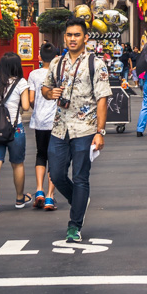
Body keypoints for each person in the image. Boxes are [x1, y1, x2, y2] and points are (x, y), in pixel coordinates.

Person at [41, 18, 112, 243]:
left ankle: (74, 225)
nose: (73, 39)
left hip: (85, 128)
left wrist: (100, 132)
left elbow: (102, 99)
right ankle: (80, 200)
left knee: (81, 177)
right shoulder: (56, 63)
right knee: (56, 174)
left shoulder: (96, 63)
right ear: (65, 38)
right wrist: (48, 93)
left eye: (77, 35)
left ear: (85, 38)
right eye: (69, 35)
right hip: (59, 127)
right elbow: (46, 87)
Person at [0, 52, 32, 214]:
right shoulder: (21, 83)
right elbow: (25, 107)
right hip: (14, 129)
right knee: (17, 164)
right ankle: (19, 198)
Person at [28, 43, 58, 210]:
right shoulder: (59, 73)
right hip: (55, 121)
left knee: (41, 154)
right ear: (55, 57)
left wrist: (37, 110)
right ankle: (49, 196)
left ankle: (39, 190)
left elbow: (31, 99)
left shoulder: (33, 74)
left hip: (39, 121)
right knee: (54, 158)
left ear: (39, 57)